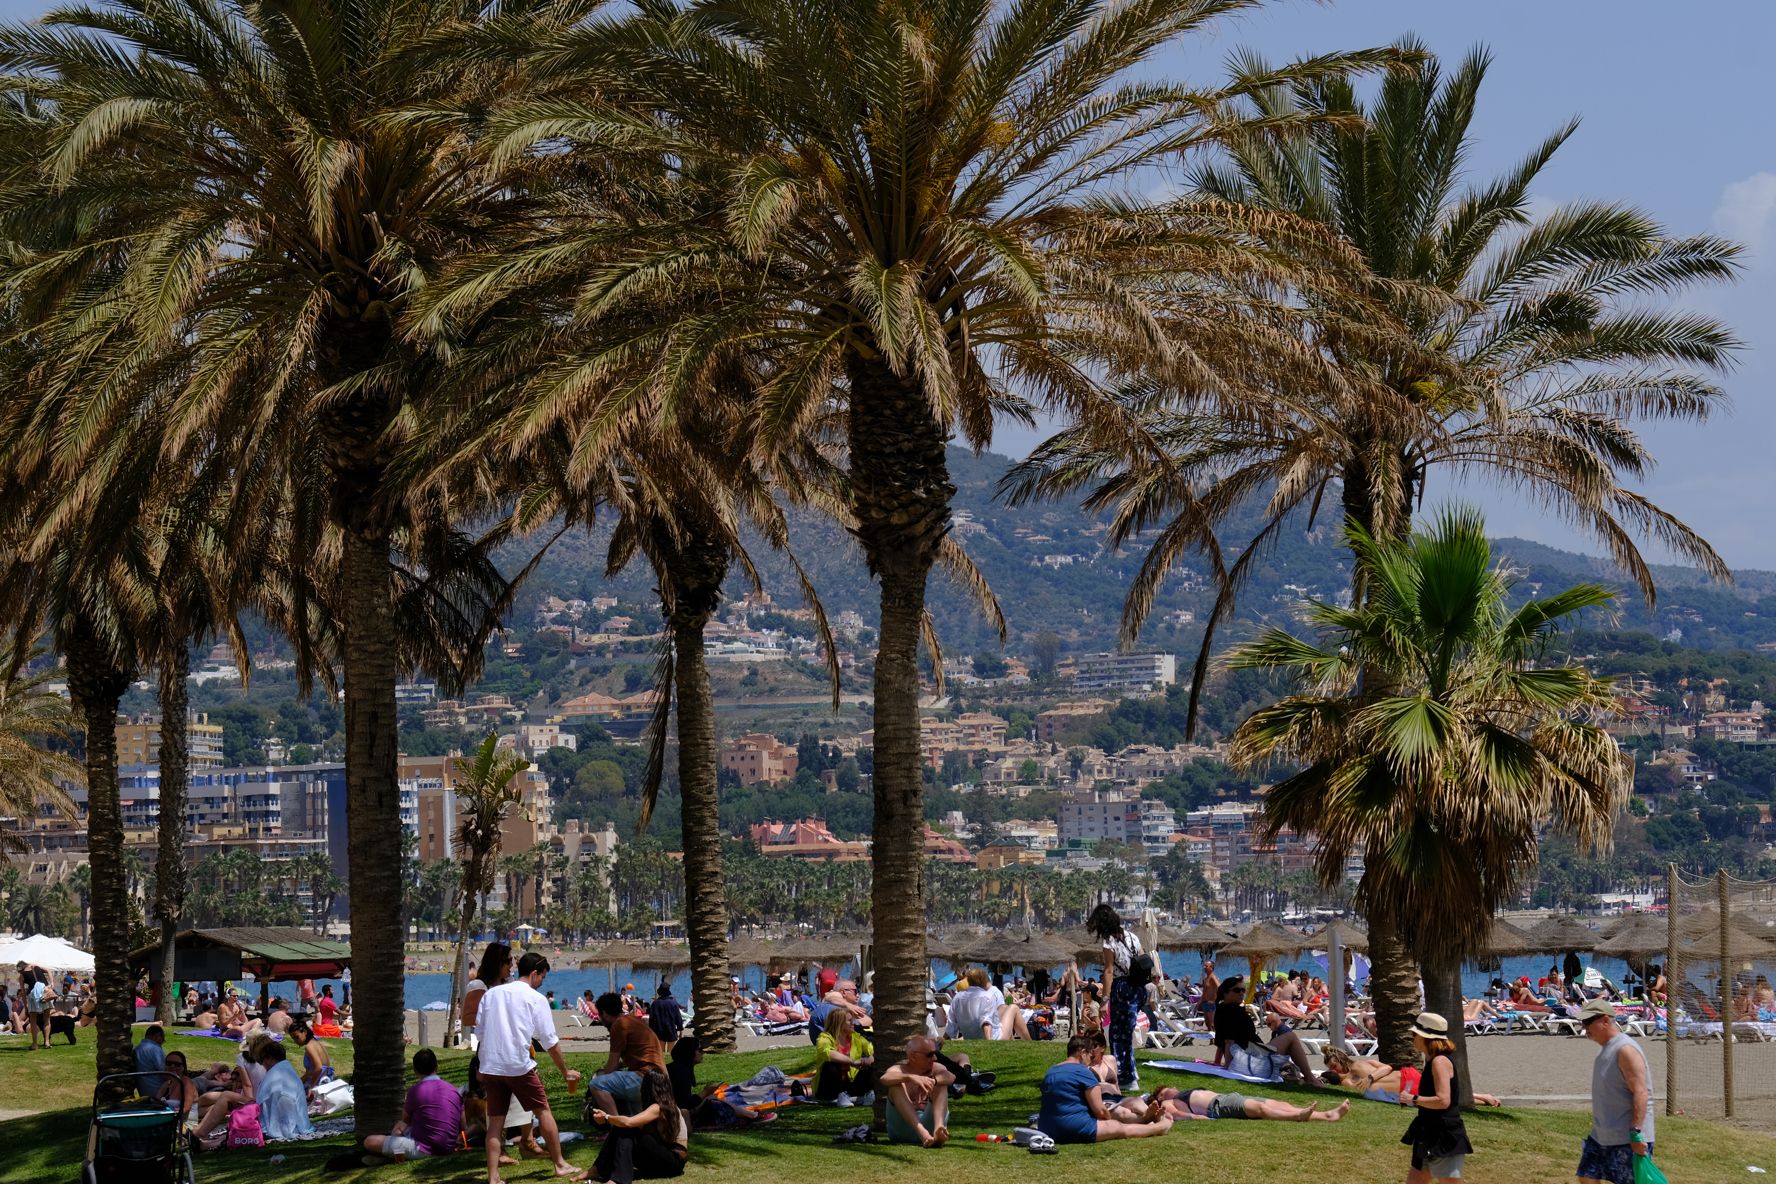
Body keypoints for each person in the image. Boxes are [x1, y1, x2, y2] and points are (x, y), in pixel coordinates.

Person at [474, 952, 584, 1184]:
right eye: (542, 977)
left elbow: (480, 1033)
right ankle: (560, 1164)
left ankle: (493, 1177)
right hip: (518, 1066)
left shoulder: (491, 994)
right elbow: (550, 1042)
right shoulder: (535, 998)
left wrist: (483, 1065)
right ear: (534, 973)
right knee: (543, 1111)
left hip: (492, 1066)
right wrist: (565, 1072)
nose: (542, 982)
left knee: (495, 1122)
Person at [1036, 1033, 1172, 1145]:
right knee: (1119, 1128)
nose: (1090, 1060)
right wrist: (1109, 1122)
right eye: (1090, 1056)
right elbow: (1100, 1110)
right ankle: (1158, 1128)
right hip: (1073, 1128)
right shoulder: (1083, 1071)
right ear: (1082, 1053)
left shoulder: (1051, 1072)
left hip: (1048, 1128)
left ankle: (1149, 1120)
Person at [1576, 997, 1654, 1184]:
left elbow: (1641, 1092)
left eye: (1588, 1022)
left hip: (1626, 1138)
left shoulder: (1625, 1049)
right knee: (1586, 1176)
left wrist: (1636, 1133)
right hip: (1601, 1136)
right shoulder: (1605, 1049)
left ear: (1604, 1020)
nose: (1585, 1028)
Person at [1397, 1012, 1472, 1184]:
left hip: (1443, 1135)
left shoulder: (1440, 1062)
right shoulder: (1431, 1060)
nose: (1412, 1038)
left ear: (1425, 1037)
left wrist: (1413, 1098)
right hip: (1427, 1133)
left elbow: (1443, 1100)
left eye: (1414, 1034)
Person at [586, 1069, 688, 1184]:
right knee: (623, 1129)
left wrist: (606, 1117)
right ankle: (598, 1170)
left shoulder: (659, 1107)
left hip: (673, 1163)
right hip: (664, 1161)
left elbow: (629, 1122)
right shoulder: (661, 1106)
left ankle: (610, 1176)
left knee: (625, 1127)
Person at [364, 1048, 465, 1163]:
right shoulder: (453, 1090)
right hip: (449, 1146)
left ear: (415, 1070)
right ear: (436, 1066)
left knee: (369, 1141)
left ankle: (392, 1157)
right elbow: (463, 1124)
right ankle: (393, 1154)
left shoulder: (415, 1091)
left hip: (425, 1149)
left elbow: (405, 1121)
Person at [1087, 902, 1145, 1091]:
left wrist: (1105, 1000)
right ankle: (1130, 1073)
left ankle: (1126, 1076)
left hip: (1122, 988)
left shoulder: (1109, 941)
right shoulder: (1132, 936)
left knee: (1117, 1035)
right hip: (1138, 987)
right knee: (1126, 1033)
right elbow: (1143, 957)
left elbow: (1109, 971)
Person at [589, 990, 667, 1115]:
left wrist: (599, 1075)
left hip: (644, 1079)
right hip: (661, 1080)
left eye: (600, 1015)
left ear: (604, 1013)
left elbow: (612, 1066)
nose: (600, 1019)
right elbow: (637, 1055)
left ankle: (616, 1126)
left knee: (596, 1084)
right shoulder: (632, 1020)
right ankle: (633, 1128)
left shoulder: (618, 1025)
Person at [877, 1036, 952, 1147]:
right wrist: (909, 1077)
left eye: (935, 1053)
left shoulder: (937, 1068)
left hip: (930, 1125)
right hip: (902, 1130)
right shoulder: (899, 1069)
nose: (935, 1058)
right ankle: (922, 1133)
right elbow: (885, 1079)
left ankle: (938, 1130)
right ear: (913, 1056)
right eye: (930, 1055)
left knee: (941, 1084)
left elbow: (950, 1077)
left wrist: (933, 1081)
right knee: (895, 1086)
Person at [1153, 1084, 1350, 1122]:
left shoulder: (1179, 1095)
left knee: (1280, 1103)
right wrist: (1196, 1117)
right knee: (1261, 1109)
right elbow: (1175, 1114)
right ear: (1161, 1096)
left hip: (1227, 1096)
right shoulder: (1168, 1102)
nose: (1172, 1088)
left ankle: (1327, 1115)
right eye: (1166, 1089)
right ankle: (1297, 1116)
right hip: (1218, 1106)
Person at [254, 1042, 317, 1141]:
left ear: (269, 1059)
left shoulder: (274, 1074)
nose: (263, 1065)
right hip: (298, 1121)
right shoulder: (287, 1070)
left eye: (263, 1060)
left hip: (283, 1124)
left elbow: (263, 1102)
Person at [811, 1009, 876, 1103]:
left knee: (871, 1066)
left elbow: (872, 1050)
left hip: (851, 1084)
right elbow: (827, 1053)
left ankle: (868, 1093)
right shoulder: (824, 1038)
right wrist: (852, 1061)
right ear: (839, 1023)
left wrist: (870, 1059)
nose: (853, 1023)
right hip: (829, 1087)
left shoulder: (856, 1037)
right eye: (849, 1020)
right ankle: (839, 1095)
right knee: (830, 1065)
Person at [462, 941, 514, 1053]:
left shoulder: (509, 984)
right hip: (490, 1045)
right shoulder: (478, 986)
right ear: (497, 963)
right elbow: (467, 1019)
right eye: (508, 961)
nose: (512, 965)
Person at [289, 1018, 333, 1088]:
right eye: (293, 1038)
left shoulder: (309, 1047)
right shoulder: (315, 1041)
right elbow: (309, 1073)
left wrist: (311, 1087)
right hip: (326, 1079)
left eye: (296, 1037)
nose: (295, 1041)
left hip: (319, 1082)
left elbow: (319, 1068)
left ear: (305, 1032)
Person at [156, 1049, 201, 1117]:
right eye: (169, 1063)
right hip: (168, 1120)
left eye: (177, 1064)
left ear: (183, 1067)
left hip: (185, 1124)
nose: (172, 1066)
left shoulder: (187, 1083)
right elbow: (155, 1103)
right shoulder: (166, 1085)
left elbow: (185, 1109)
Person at [134, 1023, 170, 1092]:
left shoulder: (137, 1049)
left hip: (143, 1091)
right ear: (157, 1036)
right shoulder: (155, 1049)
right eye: (162, 1040)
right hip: (158, 1092)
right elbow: (166, 1073)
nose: (161, 1043)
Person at [647, 981, 684, 1046]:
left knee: (661, 1051)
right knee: (671, 1051)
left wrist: (651, 1030)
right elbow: (678, 1017)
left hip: (659, 1030)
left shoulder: (655, 1004)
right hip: (671, 1030)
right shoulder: (673, 1003)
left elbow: (651, 1019)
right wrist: (680, 1028)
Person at [1200, 959, 1220, 1030]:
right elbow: (1204, 993)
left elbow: (1219, 987)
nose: (1204, 967)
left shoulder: (1213, 977)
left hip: (1211, 1004)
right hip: (1205, 1003)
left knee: (1213, 1024)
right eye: (1204, 966)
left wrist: (1214, 999)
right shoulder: (1205, 979)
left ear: (1211, 968)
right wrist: (1198, 1004)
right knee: (1207, 1023)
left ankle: (1217, 1039)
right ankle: (1211, 1040)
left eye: (1206, 966)